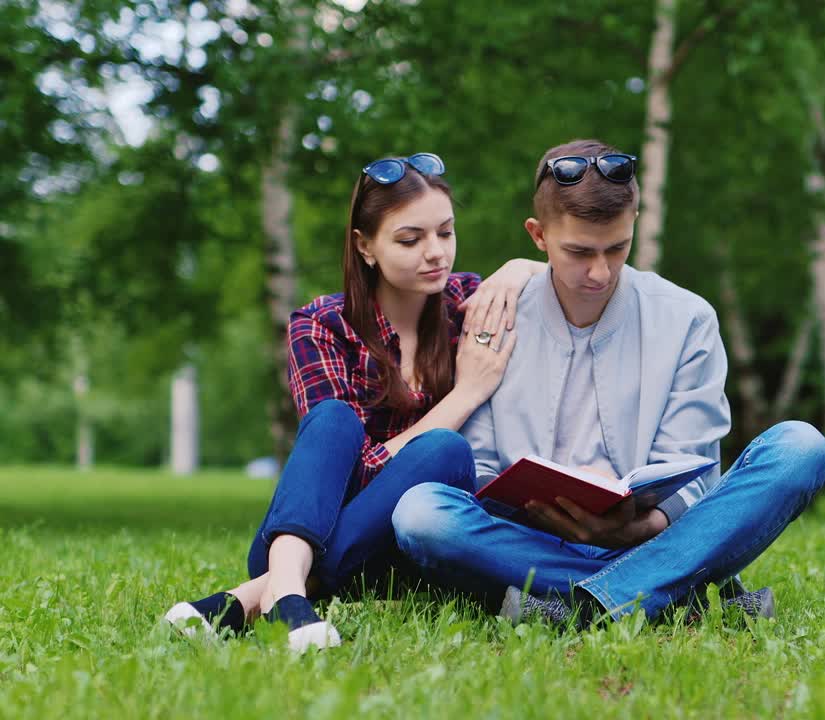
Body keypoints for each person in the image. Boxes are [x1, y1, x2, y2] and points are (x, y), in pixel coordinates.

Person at [391, 140, 825, 626]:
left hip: (656, 538)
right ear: (537, 236)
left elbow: (696, 473)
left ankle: (583, 607)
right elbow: (476, 468)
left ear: (635, 222)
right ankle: (666, 596)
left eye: (617, 248)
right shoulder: (495, 313)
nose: (599, 272)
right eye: (579, 252)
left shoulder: (687, 317)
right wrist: (537, 507)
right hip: (530, 539)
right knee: (420, 513)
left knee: (801, 447)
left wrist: (638, 528)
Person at [165, 152, 542, 650]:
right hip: (310, 527)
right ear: (365, 247)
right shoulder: (321, 325)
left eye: (445, 233)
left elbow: (573, 272)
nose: (436, 253)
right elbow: (347, 467)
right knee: (336, 419)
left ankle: (273, 595)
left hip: (405, 544)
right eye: (411, 239)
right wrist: (468, 392)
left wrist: (518, 267)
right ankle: (285, 589)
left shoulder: (470, 306)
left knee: (447, 455)